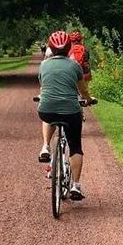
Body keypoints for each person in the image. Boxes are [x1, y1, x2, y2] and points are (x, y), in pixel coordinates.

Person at [37, 30, 96, 200]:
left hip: (47, 108)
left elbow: (44, 87)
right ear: (69, 47)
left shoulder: (43, 65)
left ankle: (46, 146)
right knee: (75, 146)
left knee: (48, 116)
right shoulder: (74, 66)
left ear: (50, 48)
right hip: (71, 111)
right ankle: (75, 186)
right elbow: (83, 90)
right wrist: (89, 100)